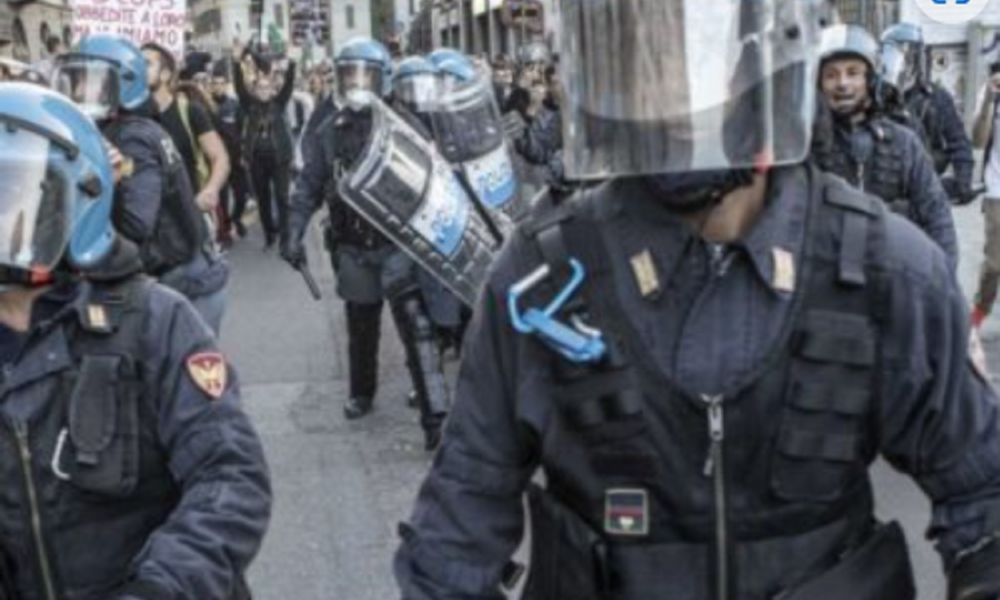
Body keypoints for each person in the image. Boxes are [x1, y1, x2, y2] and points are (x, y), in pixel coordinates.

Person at [394, 3, 1000, 599]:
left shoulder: (884, 268)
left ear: (764, 53)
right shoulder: (541, 281)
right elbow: (451, 543)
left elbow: (985, 497)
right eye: (646, 48)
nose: (672, 81)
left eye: (701, 45)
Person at [0, 82, 270, 600]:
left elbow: (230, 473)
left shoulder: (155, 320)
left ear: (71, 200)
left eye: (12, 194)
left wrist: (162, 587)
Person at [282, 38, 449, 451]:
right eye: (348, 75)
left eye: (365, 76)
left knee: (416, 325)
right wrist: (293, 230)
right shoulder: (328, 126)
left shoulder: (405, 122)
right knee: (360, 322)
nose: (356, 84)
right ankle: (362, 392)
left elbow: (434, 178)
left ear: (383, 78)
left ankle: (436, 417)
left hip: (398, 241)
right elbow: (310, 183)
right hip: (353, 243)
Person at [54, 34, 230, 335]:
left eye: (90, 80)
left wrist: (107, 187)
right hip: (177, 278)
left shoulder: (132, 137)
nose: (79, 90)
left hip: (186, 287)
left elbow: (136, 224)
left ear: (120, 84)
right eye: (76, 79)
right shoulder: (120, 130)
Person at [811, 24, 958, 270]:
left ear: (870, 79)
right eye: (831, 75)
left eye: (852, 72)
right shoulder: (806, 147)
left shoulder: (904, 142)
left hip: (893, 272)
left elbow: (937, 217)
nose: (842, 83)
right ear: (819, 84)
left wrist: (944, 279)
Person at [882, 22, 975, 202]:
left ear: (919, 58)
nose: (902, 63)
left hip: (926, 188)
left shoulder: (937, 97)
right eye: (895, 54)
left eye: (909, 55)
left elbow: (959, 143)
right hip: (884, 188)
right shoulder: (875, 97)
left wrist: (963, 182)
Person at [141, 42, 231, 213]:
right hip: (150, 217)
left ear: (165, 74)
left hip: (190, 213)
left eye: (146, 63)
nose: (138, 68)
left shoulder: (189, 111)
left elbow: (220, 157)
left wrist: (210, 190)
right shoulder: (132, 117)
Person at [233, 39, 297, 249]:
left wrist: (292, 62)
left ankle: (286, 236)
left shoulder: (279, 103)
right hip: (257, 160)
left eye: (266, 87)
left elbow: (288, 84)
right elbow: (239, 87)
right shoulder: (249, 105)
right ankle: (270, 233)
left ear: (272, 89)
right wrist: (236, 61)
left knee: (282, 198)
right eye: (259, 87)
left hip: (279, 159)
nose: (263, 90)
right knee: (263, 199)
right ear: (255, 89)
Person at [970, 61, 1000, 330]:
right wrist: (990, 99)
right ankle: (978, 314)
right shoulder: (992, 89)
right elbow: (978, 140)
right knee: (995, 262)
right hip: (997, 190)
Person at [211, 60, 251, 240]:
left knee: (241, 196)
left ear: (226, 85)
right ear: (211, 86)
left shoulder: (235, 105)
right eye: (215, 84)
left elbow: (245, 132)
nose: (218, 87)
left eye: (221, 83)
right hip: (217, 160)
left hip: (235, 159)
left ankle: (236, 218)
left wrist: (244, 153)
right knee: (222, 198)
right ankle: (225, 226)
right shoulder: (206, 106)